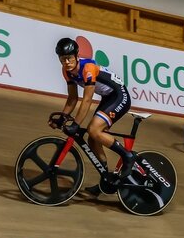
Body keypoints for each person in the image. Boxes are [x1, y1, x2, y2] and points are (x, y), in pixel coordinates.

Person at [51, 37, 133, 196]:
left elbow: (87, 99)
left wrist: (75, 123)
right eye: (62, 59)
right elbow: (72, 99)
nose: (66, 62)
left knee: (94, 130)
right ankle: (106, 178)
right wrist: (63, 117)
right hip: (108, 97)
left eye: (68, 58)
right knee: (92, 139)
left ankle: (127, 156)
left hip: (119, 96)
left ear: (76, 55)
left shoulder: (87, 67)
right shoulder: (66, 71)